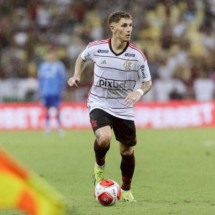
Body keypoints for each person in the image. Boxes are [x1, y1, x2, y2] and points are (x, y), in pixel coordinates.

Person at [68, 11, 152, 202]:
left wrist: (138, 92)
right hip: (100, 102)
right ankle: (99, 167)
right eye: (124, 25)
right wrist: (77, 75)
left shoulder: (137, 55)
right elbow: (82, 57)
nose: (129, 29)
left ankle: (127, 190)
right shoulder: (96, 48)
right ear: (113, 28)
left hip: (124, 107)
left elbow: (147, 83)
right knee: (104, 138)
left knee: (127, 151)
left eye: (130, 25)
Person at [38, 49, 67, 134]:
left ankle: (59, 127)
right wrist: (40, 91)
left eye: (51, 56)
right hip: (46, 92)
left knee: (57, 109)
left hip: (55, 91)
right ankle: (47, 127)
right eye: (48, 56)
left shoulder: (59, 66)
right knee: (47, 109)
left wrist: (62, 90)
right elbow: (40, 80)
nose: (50, 57)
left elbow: (62, 79)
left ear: (54, 57)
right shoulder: (42, 66)